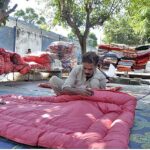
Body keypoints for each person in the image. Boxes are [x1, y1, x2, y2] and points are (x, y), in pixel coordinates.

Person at [39, 51, 107, 96]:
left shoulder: (101, 77)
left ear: (96, 66)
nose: (86, 71)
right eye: (85, 68)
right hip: (72, 94)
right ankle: (62, 99)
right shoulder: (77, 69)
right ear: (82, 64)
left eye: (90, 69)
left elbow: (102, 96)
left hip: (88, 99)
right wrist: (78, 91)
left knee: (94, 82)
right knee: (53, 79)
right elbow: (65, 88)